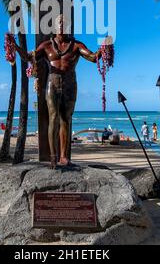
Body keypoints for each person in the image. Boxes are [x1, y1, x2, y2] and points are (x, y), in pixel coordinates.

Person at [14, 14, 111, 169]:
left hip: (70, 84)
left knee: (66, 119)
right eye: (59, 22)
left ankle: (64, 157)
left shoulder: (76, 45)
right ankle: (53, 157)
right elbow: (28, 57)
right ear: (54, 26)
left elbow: (93, 58)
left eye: (64, 23)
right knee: (53, 118)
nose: (61, 25)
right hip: (52, 83)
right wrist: (16, 46)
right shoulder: (46, 46)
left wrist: (103, 47)